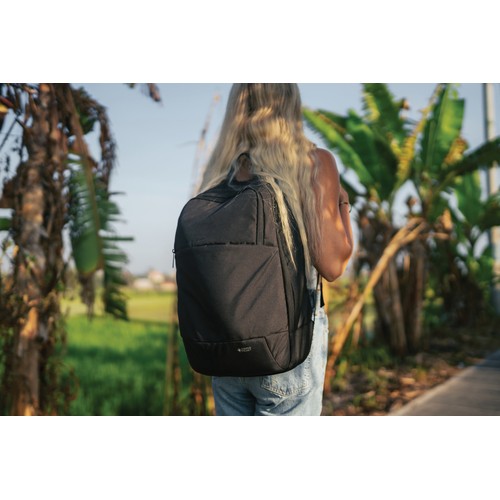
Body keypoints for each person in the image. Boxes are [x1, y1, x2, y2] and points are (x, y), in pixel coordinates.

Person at [198, 83, 353, 416]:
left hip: (225, 351)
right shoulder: (313, 162)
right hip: (287, 349)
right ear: (290, 103)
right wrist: (342, 203)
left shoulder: (219, 172)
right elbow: (332, 265)